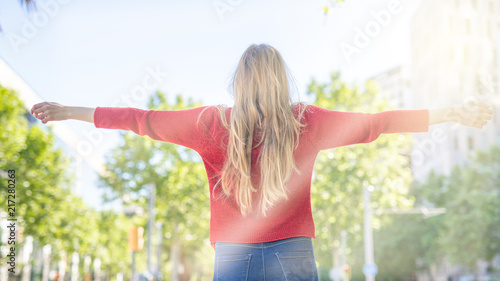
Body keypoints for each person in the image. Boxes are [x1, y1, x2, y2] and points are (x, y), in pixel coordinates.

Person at [30, 43, 493, 281]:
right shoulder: (305, 122)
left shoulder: (209, 124)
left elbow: (141, 120)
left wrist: (69, 110)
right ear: (280, 80)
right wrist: (451, 112)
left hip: (234, 258)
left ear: (238, 81)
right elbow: (378, 122)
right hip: (295, 254)